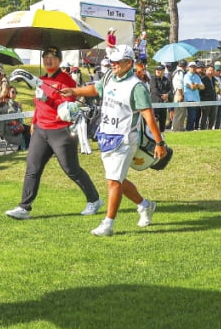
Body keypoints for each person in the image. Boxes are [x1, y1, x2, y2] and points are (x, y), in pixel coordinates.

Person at [60, 45, 165, 237]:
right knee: (118, 178)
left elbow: (148, 116)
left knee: (113, 181)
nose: (113, 64)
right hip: (106, 136)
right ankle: (145, 205)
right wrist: (75, 92)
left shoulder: (137, 86)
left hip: (126, 139)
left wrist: (159, 143)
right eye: (112, 61)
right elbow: (96, 89)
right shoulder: (109, 76)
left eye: (117, 61)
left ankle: (108, 224)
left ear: (129, 63)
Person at [4, 46, 102, 220]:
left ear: (59, 60)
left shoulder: (67, 81)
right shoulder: (40, 79)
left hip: (60, 131)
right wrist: (34, 122)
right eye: (46, 57)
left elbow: (67, 109)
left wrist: (47, 98)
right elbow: (38, 106)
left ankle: (94, 200)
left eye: (53, 57)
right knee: (32, 168)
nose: (49, 60)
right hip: (41, 130)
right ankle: (24, 207)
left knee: (71, 169)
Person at [150, 65, 172, 131]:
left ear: (163, 71)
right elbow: (154, 89)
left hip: (164, 103)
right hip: (155, 102)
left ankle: (162, 135)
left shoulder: (166, 80)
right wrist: (162, 96)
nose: (158, 71)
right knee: (154, 120)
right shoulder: (153, 78)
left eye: (159, 70)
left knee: (163, 120)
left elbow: (171, 89)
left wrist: (167, 95)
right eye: (157, 70)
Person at [183, 62, 204, 131]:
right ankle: (189, 129)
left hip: (197, 99)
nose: (193, 68)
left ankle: (191, 129)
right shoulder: (186, 76)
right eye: (191, 67)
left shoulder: (197, 76)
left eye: (194, 67)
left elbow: (203, 87)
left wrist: (196, 84)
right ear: (188, 68)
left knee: (195, 116)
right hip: (189, 99)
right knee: (191, 116)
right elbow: (192, 87)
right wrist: (197, 85)